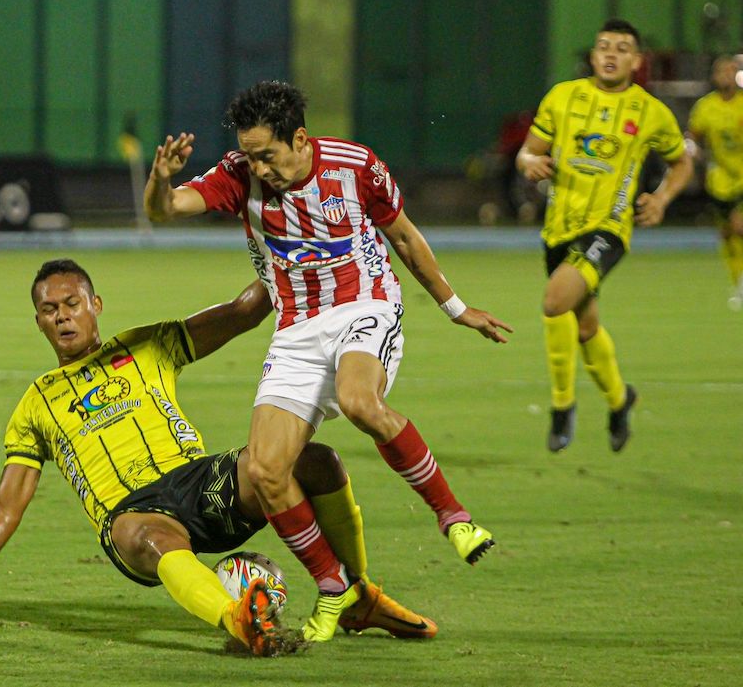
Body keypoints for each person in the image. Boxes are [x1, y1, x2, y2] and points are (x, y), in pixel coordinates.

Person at [0, 259, 437, 657]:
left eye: (72, 304)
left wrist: (292, 252)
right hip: (133, 513)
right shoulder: (35, 403)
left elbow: (244, 311)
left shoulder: (145, 346)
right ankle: (239, 621)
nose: (63, 317)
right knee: (146, 537)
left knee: (315, 461)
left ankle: (358, 594)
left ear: (95, 305)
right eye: (49, 311)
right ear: (39, 323)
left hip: (202, 483)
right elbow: (6, 505)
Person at [144, 81, 512, 641]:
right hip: (295, 328)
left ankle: (453, 517)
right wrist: (159, 179)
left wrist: (455, 307)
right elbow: (167, 209)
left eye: (268, 154)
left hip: (365, 304)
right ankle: (335, 588)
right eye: (250, 155)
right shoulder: (239, 173)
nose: (259, 167)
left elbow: (406, 239)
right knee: (267, 471)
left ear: (299, 137)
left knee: (361, 400)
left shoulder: (356, 166)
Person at [516, 19, 693, 453]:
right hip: (559, 228)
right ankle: (619, 399)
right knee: (585, 325)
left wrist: (662, 198)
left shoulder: (651, 112)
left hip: (609, 229)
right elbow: (528, 150)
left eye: (622, 48)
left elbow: (682, 163)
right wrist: (527, 164)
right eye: (604, 47)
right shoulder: (562, 97)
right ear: (593, 56)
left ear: (636, 60)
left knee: (555, 301)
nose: (612, 54)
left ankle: (562, 408)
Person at [687, 55, 743, 310]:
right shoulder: (705, 107)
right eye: (722, 72)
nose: (726, 76)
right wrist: (692, 150)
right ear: (714, 76)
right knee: (727, 233)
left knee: (742, 226)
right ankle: (739, 279)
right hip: (719, 179)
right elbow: (694, 136)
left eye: (731, 71)